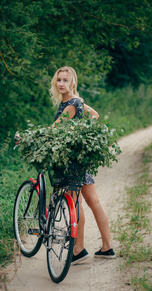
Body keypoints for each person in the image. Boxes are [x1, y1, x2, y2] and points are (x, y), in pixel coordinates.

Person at [50, 66, 115, 264]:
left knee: (75, 202)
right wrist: (81, 135)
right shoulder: (78, 102)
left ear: (72, 83)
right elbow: (94, 116)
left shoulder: (71, 104)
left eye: (65, 80)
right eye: (59, 80)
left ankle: (79, 249)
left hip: (72, 162)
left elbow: (53, 130)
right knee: (93, 201)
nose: (61, 84)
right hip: (80, 160)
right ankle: (107, 247)